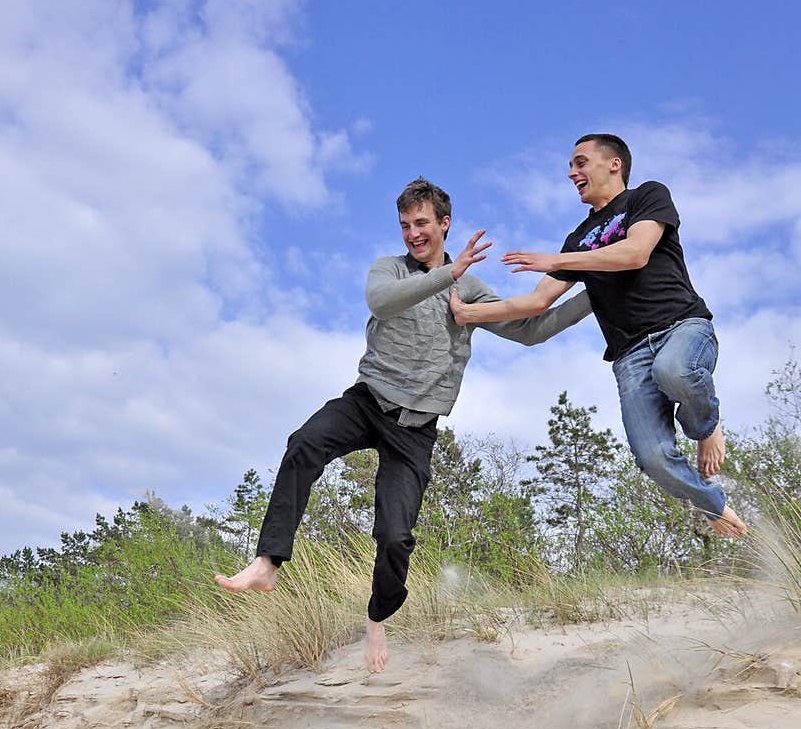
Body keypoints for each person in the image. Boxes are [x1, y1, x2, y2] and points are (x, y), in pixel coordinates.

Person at [216, 176, 592, 671]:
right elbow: (381, 302)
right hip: (366, 402)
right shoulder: (388, 270)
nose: (413, 233)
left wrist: (597, 295)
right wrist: (446, 273)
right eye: (405, 225)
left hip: (415, 429)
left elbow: (532, 330)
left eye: (422, 223)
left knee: (395, 535)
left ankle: (377, 616)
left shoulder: (470, 289)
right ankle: (267, 562)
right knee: (304, 442)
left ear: (444, 223)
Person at [449, 134, 747, 539]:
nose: (571, 172)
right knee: (653, 459)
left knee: (675, 370)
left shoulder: (647, 196)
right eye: (571, 165)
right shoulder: (578, 239)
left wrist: (557, 260)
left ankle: (704, 424)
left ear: (614, 164)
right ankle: (712, 504)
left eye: (580, 162)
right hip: (629, 356)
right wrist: (471, 313)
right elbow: (537, 302)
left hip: (682, 327)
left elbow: (635, 253)